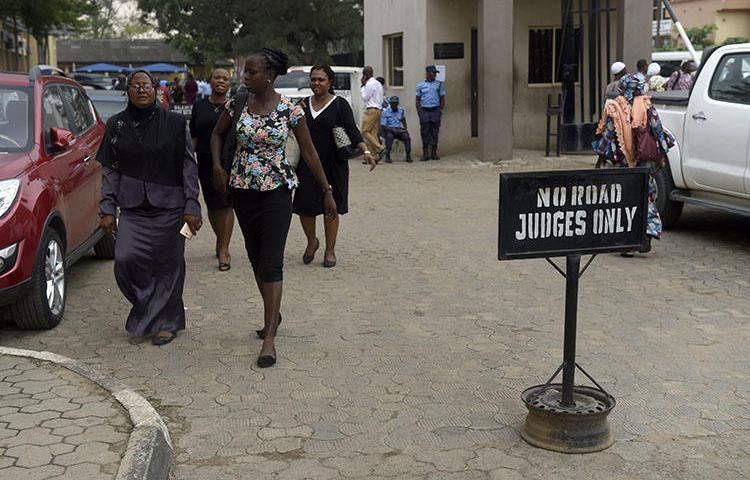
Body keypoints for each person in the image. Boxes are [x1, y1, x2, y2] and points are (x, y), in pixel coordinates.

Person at [210, 49, 337, 368]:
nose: (245, 77)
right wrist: (216, 166)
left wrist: (326, 191)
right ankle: (273, 311)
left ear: (268, 75)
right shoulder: (237, 103)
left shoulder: (290, 110)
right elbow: (216, 135)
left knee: (272, 262)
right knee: (255, 259)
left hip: (277, 192)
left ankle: (269, 338)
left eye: (251, 72)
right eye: (245, 72)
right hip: (242, 191)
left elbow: (309, 153)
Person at [96, 69, 202, 346]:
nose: (142, 90)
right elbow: (110, 169)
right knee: (126, 260)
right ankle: (150, 310)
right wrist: (107, 207)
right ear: (128, 91)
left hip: (171, 207)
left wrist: (193, 204)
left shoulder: (175, 123)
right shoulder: (116, 125)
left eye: (147, 86)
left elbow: (188, 166)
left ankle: (166, 323)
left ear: (156, 90)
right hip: (132, 208)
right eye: (136, 86)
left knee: (169, 266)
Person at [293, 65, 376, 268]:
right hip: (307, 164)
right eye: (313, 79)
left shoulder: (340, 104)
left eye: (321, 80)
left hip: (334, 165)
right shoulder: (302, 104)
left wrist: (365, 150)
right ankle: (312, 241)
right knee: (305, 208)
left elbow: (352, 130)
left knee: (331, 207)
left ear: (330, 82)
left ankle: (330, 251)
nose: (316, 83)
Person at [592, 73, 674, 255]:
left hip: (623, 162)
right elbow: (658, 131)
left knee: (625, 198)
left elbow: (609, 136)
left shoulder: (614, 107)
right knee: (646, 195)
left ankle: (628, 242)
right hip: (645, 161)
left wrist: (602, 156)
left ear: (622, 87)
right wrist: (661, 154)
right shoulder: (646, 105)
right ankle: (646, 235)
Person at [190, 68, 234, 271]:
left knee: (225, 204)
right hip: (205, 161)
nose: (221, 81)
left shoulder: (234, 106)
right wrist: (189, 161)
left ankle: (224, 249)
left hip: (228, 162)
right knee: (213, 205)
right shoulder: (199, 106)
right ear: (210, 80)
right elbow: (194, 135)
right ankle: (220, 239)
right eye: (217, 77)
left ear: (230, 83)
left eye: (225, 78)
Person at [415, 65, 445, 161]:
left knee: (434, 132)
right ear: (428, 73)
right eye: (433, 73)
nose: (435, 75)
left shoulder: (439, 84)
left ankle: (434, 153)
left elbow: (442, 97)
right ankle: (425, 154)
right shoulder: (420, 85)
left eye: (435, 73)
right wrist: (419, 112)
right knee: (425, 132)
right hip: (425, 111)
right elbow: (417, 99)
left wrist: (440, 110)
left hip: (435, 111)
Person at [360, 66, 385, 158]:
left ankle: (380, 148)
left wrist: (362, 86)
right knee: (373, 133)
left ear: (365, 75)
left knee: (364, 132)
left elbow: (364, 97)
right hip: (378, 109)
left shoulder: (369, 84)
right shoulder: (378, 83)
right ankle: (375, 156)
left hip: (371, 109)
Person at [380, 96, 412, 163]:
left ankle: (408, 155)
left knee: (407, 137)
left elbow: (403, 119)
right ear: (390, 104)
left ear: (398, 103)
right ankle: (387, 156)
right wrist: (392, 130)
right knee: (389, 137)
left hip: (398, 129)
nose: (394, 105)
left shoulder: (401, 110)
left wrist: (405, 128)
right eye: (392, 103)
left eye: (395, 103)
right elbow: (383, 125)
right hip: (389, 129)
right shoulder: (385, 112)